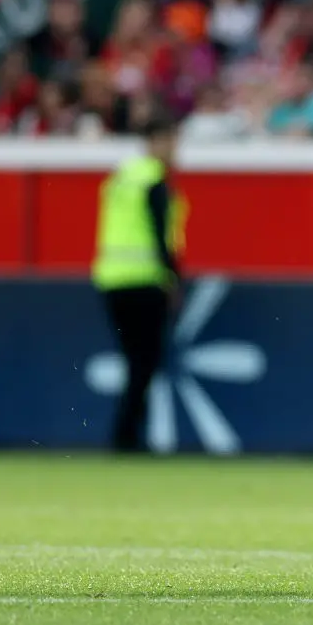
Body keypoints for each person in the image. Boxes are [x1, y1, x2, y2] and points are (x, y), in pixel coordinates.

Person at [91, 100, 187, 452]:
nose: (176, 150)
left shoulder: (121, 177)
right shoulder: (153, 181)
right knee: (145, 361)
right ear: (158, 140)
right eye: (173, 141)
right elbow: (162, 237)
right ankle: (127, 436)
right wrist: (174, 279)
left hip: (111, 279)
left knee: (135, 359)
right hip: (145, 281)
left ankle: (128, 434)